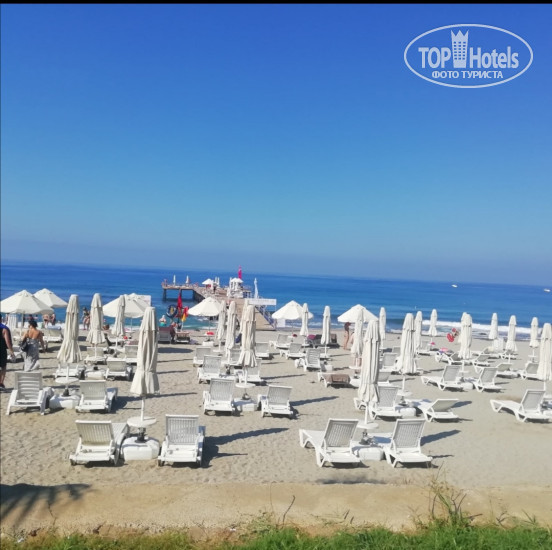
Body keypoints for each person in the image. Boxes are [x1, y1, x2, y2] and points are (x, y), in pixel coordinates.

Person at [0, 321, 16, 390]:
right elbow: (7, 342)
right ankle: (1, 383)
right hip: (2, 350)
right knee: (3, 367)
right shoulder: (4, 328)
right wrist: (12, 351)